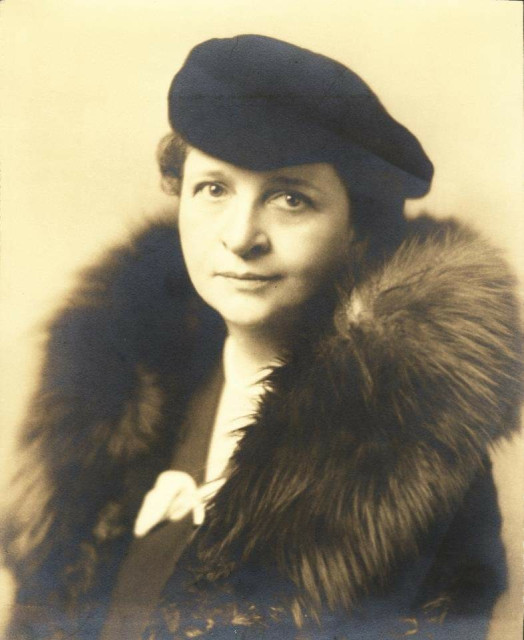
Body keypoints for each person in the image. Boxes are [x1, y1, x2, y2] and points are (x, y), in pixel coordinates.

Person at [2, 35, 522, 640]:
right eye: (214, 189)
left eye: (289, 199)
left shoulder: (414, 473)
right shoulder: (111, 411)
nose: (241, 236)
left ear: (358, 225)